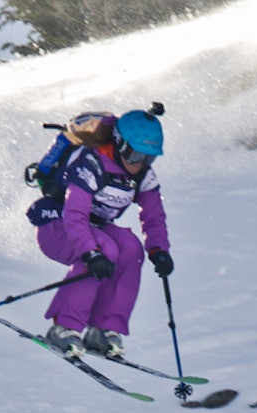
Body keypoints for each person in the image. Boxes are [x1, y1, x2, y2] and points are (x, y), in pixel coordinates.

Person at [25, 108, 174, 359]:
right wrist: (90, 253)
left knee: (130, 248)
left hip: (93, 230)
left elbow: (154, 216)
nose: (139, 163)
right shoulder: (92, 164)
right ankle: (64, 327)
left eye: (148, 157)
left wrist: (159, 250)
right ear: (119, 144)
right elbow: (74, 215)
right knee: (105, 249)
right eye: (135, 154)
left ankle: (103, 329)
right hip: (57, 227)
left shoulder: (144, 176)